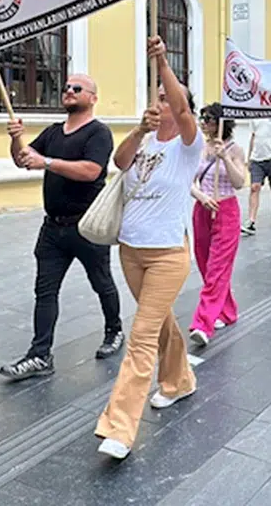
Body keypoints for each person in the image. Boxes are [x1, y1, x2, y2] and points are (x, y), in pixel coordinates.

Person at [96, 36, 201, 460]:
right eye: (157, 96)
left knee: (141, 336)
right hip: (131, 250)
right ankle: (180, 381)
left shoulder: (189, 145)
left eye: (168, 97)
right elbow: (119, 163)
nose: (162, 101)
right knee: (159, 323)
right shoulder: (145, 140)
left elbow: (183, 111)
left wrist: (162, 62)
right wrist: (140, 129)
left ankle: (119, 429)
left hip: (167, 254)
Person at [0, 75, 123, 383]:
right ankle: (40, 355)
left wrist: (47, 162)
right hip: (53, 228)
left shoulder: (98, 133)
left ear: (93, 98)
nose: (69, 91)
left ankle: (114, 330)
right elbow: (23, 160)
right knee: (45, 291)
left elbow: (91, 170)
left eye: (77, 88)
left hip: (87, 226)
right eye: (66, 87)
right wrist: (16, 139)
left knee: (101, 282)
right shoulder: (53, 132)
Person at [188, 104, 247, 347]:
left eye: (209, 119)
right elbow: (188, 181)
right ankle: (227, 310)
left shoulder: (234, 149)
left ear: (221, 122)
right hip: (202, 209)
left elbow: (239, 182)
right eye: (202, 118)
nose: (203, 123)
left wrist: (225, 158)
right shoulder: (198, 149)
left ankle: (203, 323)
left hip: (226, 210)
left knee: (217, 268)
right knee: (204, 263)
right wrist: (201, 196)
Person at [243, 118, 271, 235]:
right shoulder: (255, 114)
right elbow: (253, 136)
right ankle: (251, 221)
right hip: (256, 158)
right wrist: (249, 157)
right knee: (254, 187)